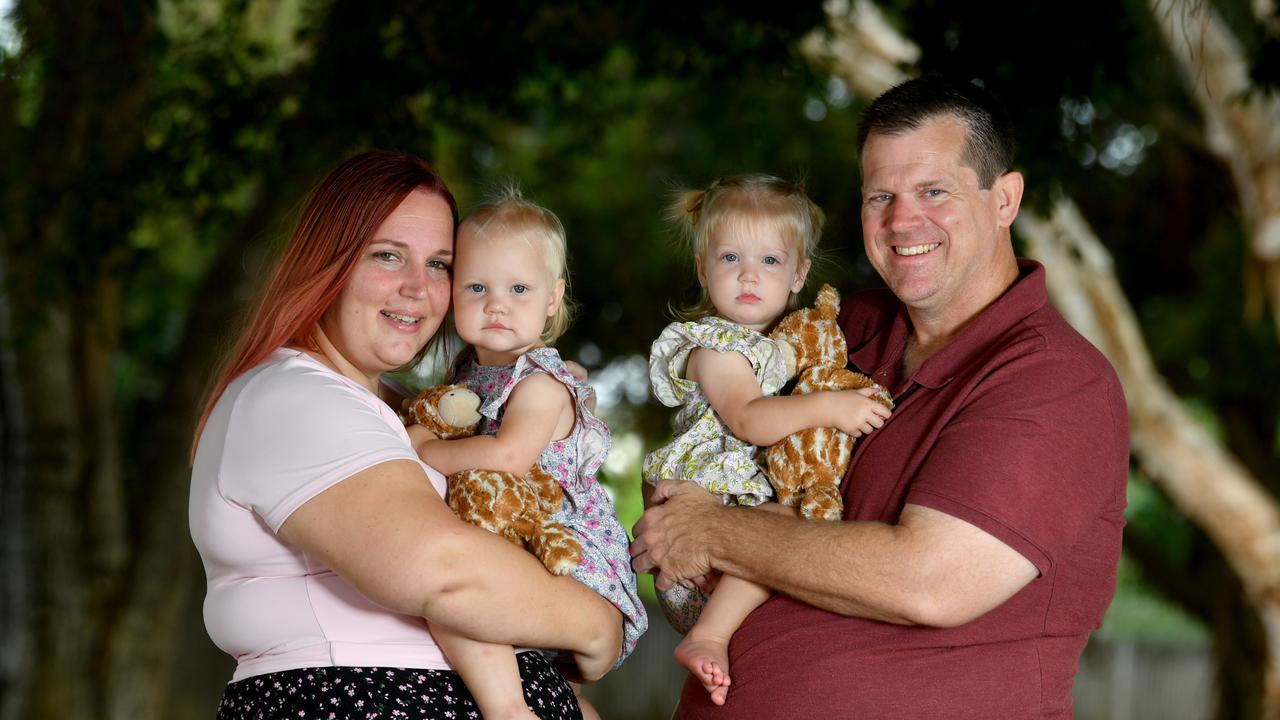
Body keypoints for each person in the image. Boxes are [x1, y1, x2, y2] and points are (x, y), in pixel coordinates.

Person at [631, 76, 1129, 719]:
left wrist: (712, 531)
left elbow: (931, 581)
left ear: (1005, 198)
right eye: (880, 196)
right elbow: (707, 430)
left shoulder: (1055, 382)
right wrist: (682, 506)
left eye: (934, 191)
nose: (902, 220)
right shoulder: (832, 329)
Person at [189, 151, 622, 720]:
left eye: (440, 264)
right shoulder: (290, 398)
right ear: (330, 264)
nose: (417, 289)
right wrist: (596, 623)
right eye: (388, 256)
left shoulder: (404, 409)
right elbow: (441, 570)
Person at [641, 174, 891, 705]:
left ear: (799, 274)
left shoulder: (782, 344)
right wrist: (830, 407)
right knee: (783, 530)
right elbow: (750, 420)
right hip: (701, 522)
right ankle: (709, 634)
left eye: (770, 261)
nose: (749, 274)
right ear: (702, 269)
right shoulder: (715, 347)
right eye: (730, 258)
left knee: (785, 536)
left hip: (728, 529)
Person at [410, 189, 646, 720]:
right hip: (514, 541)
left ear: (553, 298)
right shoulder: (469, 375)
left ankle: (508, 709)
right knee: (545, 676)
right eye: (477, 286)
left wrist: (424, 449)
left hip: (564, 555)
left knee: (454, 604)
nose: (497, 303)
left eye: (519, 288)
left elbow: (510, 457)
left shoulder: (540, 385)